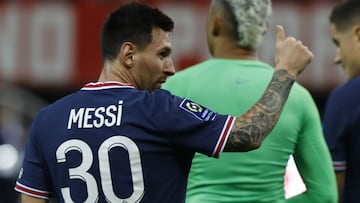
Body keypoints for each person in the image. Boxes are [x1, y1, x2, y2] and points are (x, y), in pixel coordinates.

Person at [14, 2, 313, 203]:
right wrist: (285, 72)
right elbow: (249, 134)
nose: (170, 67)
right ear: (129, 54)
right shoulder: (159, 109)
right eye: (162, 54)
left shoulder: (48, 119)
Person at [162, 0, 337, 202]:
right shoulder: (297, 95)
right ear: (263, 29)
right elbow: (325, 196)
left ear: (216, 23)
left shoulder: (174, 88)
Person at [323, 1, 360, 203]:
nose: (337, 58)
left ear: (358, 34)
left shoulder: (344, 100)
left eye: (338, 43)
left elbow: (329, 193)